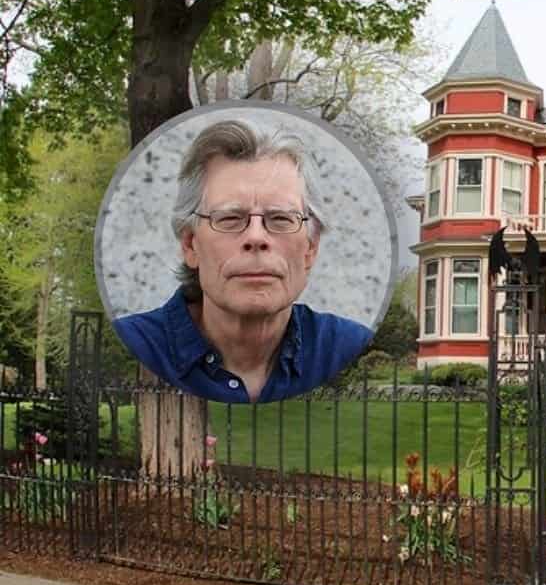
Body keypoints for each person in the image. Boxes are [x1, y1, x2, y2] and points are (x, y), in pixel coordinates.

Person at [113, 119, 373, 403]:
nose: (256, 237)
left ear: (310, 248)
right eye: (230, 218)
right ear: (190, 245)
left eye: (281, 219)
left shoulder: (348, 346)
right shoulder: (137, 343)